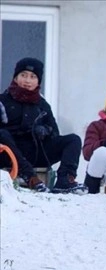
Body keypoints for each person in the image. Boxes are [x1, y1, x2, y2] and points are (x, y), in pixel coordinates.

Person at [0, 57, 87, 193]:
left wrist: (45, 130)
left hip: (36, 153)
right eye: (23, 75)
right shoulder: (2, 101)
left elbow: (55, 133)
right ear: (15, 78)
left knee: (73, 140)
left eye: (33, 77)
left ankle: (65, 180)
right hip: (10, 154)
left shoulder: (42, 105)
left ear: (38, 81)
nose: (27, 80)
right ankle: (29, 177)